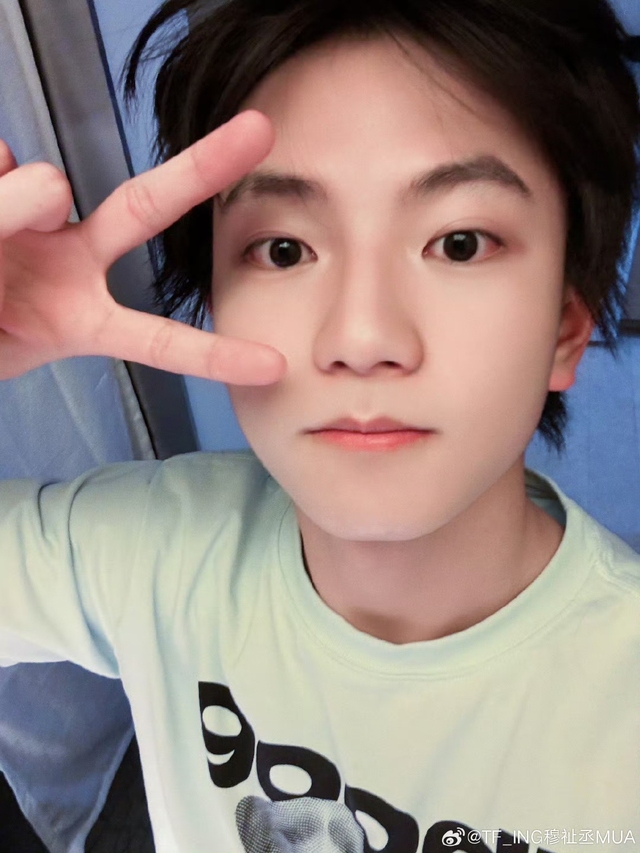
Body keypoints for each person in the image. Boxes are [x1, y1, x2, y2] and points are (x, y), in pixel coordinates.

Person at [0, 0, 639, 851]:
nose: (362, 338)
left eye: (459, 243)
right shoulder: (150, 549)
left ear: (565, 327)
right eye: (285, 249)